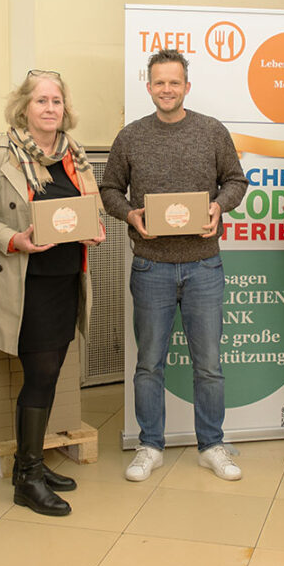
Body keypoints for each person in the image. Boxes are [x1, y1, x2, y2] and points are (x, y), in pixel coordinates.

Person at [100, 49, 249, 483]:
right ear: (148, 87)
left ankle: (212, 445)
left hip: (204, 266)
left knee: (209, 364)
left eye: (174, 82)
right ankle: (150, 445)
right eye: (159, 83)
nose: (167, 89)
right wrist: (130, 215)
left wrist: (220, 206)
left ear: (187, 86)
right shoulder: (130, 137)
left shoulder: (211, 131)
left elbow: (236, 180)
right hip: (151, 267)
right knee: (149, 364)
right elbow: (109, 188)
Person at [0, 70, 105, 517]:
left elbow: (90, 208)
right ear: (24, 107)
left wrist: (94, 229)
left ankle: (36, 465)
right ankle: (26, 476)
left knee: (52, 370)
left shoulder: (76, 155)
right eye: (41, 100)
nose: (50, 108)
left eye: (57, 101)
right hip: (24, 284)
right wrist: (13, 239)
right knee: (40, 374)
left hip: (66, 278)